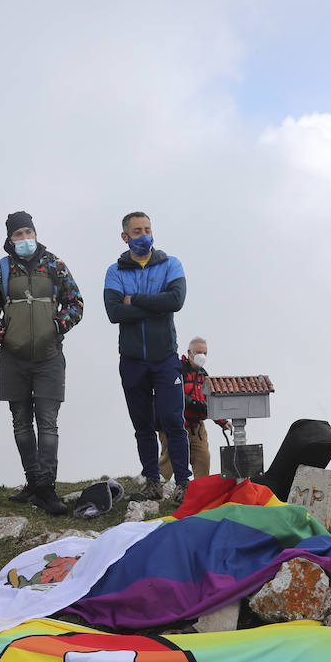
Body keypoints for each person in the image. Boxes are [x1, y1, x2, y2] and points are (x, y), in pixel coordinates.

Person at [0, 211, 84, 514]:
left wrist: (57, 326)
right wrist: (4, 335)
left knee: (48, 423)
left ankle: (47, 487)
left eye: (28, 232)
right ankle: (33, 481)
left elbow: (75, 302)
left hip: (50, 356)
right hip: (12, 357)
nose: (24, 238)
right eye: (18, 234)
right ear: (9, 239)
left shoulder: (55, 265)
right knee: (21, 422)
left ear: (35, 233)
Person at [103, 211, 190, 501]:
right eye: (137, 231)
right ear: (125, 236)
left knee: (173, 420)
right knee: (142, 425)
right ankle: (152, 481)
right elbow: (114, 312)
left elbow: (175, 301)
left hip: (165, 358)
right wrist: (157, 304)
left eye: (148, 229)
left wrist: (136, 300)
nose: (144, 235)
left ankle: (183, 483)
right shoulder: (115, 272)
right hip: (131, 361)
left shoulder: (170, 264)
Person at [158, 336, 230, 484]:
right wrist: (191, 402)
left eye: (205, 353)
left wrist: (223, 422)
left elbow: (211, 402)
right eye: (198, 352)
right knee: (169, 461)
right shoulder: (176, 370)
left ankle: (201, 495)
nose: (201, 356)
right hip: (175, 425)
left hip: (197, 428)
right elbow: (168, 392)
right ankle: (157, 490)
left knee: (203, 459)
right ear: (189, 352)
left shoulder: (204, 375)